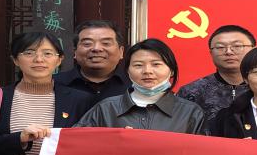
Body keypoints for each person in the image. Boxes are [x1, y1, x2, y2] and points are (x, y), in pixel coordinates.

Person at [76, 38, 205, 134]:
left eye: (156, 64)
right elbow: (77, 143)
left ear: (171, 70)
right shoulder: (106, 108)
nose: (147, 71)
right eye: (138, 65)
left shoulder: (190, 112)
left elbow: (200, 154)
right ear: (128, 71)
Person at [177, 24, 256, 126]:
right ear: (211, 53)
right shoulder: (191, 92)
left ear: (253, 50)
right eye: (220, 47)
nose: (228, 52)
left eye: (237, 46)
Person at [53, 19, 128, 107]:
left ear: (121, 52)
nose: (96, 48)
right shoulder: (53, 84)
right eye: (87, 43)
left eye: (106, 43)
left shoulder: (134, 86)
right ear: (75, 52)